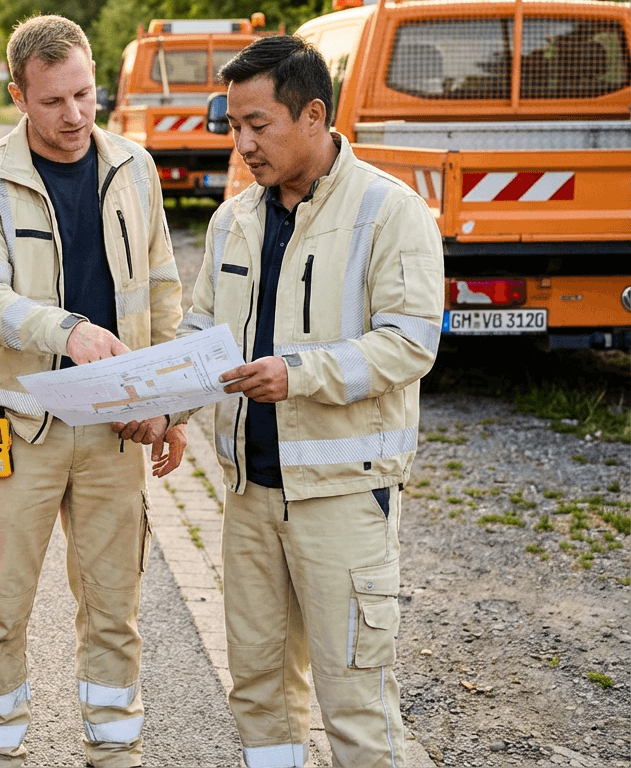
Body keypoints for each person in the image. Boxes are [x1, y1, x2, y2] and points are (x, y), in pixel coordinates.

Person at [177, 35, 444, 768]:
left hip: (344, 500)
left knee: (355, 703)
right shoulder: (235, 219)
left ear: (314, 115)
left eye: (257, 125)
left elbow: (410, 343)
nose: (242, 144)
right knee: (260, 691)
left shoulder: (391, 212)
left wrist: (299, 374)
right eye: (233, 126)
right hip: (250, 499)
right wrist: (158, 403)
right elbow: (202, 332)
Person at [0, 16, 186, 768]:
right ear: (18, 95)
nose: (76, 115)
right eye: (53, 101)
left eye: (85, 93)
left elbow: (165, 291)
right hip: (18, 432)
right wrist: (69, 331)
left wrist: (170, 401)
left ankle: (116, 754)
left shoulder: (135, 168)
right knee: (0, 612)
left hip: (117, 429)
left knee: (116, 610)